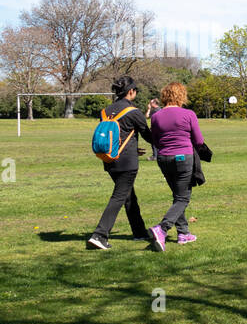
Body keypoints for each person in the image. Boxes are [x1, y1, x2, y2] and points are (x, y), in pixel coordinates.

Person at [88, 76, 155, 250]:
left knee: (128, 195)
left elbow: (117, 135)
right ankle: (99, 235)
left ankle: (139, 231)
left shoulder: (105, 111)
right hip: (127, 163)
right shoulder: (133, 112)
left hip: (109, 159)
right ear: (131, 91)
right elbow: (148, 136)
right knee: (119, 196)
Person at [147, 82, 205, 251]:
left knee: (177, 195)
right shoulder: (188, 114)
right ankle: (162, 229)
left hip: (164, 158)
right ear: (181, 96)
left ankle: (183, 232)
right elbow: (199, 140)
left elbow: (155, 140)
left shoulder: (156, 116)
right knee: (183, 198)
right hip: (183, 157)